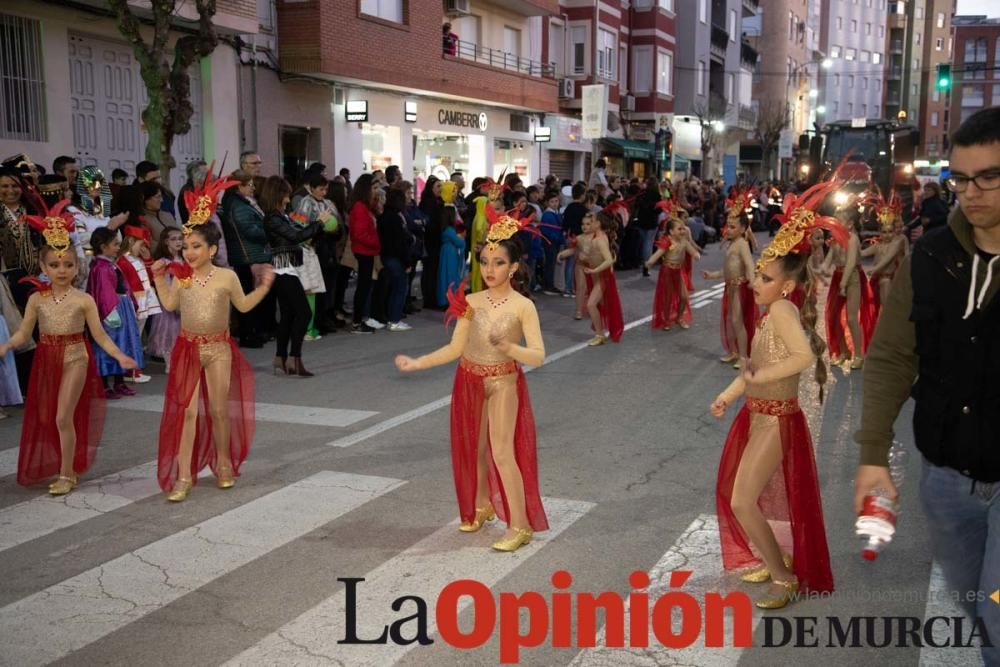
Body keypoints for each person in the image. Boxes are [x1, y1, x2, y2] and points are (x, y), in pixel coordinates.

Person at [854, 107, 1000, 664]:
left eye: (989, 176)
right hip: (944, 477)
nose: (971, 192)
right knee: (973, 599)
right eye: (962, 179)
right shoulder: (932, 254)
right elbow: (891, 355)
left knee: (995, 610)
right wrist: (872, 454)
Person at [711, 179, 844, 609]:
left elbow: (803, 358)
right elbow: (754, 370)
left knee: (742, 499)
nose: (755, 282)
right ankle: (775, 560)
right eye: (756, 275)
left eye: (765, 278)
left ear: (785, 286)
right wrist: (730, 395)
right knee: (749, 496)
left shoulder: (783, 311)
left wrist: (758, 381)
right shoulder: (770, 315)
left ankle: (784, 576)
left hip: (777, 419)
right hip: (758, 415)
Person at [395, 211, 548, 553]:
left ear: (513, 267)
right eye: (484, 262)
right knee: (474, 450)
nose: (490, 269)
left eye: (498, 262)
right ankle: (482, 505)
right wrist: (418, 362)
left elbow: (538, 355)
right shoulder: (472, 302)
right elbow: (454, 348)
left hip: (502, 382)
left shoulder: (523, 306)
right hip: (468, 379)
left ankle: (520, 525)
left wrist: (511, 348)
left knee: (503, 452)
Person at [151, 179, 274, 502]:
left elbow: (243, 306)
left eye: (196, 246)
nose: (188, 252)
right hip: (187, 348)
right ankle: (183, 475)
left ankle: (222, 463)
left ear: (213, 249)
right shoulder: (181, 276)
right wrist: (157, 279)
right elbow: (170, 305)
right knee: (187, 413)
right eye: (186, 246)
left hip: (219, 349)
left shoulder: (227, 277)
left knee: (219, 411)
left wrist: (262, 287)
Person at [0, 203, 136, 494]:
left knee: (63, 416)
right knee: (50, 416)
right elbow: (24, 332)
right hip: (46, 358)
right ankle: (63, 462)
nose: (62, 270)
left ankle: (67, 473)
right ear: (43, 267)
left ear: (77, 266)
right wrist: (7, 345)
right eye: (55, 265)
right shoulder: (37, 299)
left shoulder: (83, 300)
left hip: (75, 356)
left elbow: (99, 335)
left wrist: (119, 355)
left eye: (68, 265)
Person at [260, 176, 324, 375]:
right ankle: (294, 359)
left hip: (288, 267)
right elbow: (296, 236)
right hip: (283, 270)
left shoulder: (281, 216)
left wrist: (314, 227)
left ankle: (281, 357)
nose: (288, 199)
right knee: (304, 313)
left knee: (288, 315)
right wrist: (319, 224)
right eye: (286, 195)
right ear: (277, 195)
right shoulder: (272, 217)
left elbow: (300, 233)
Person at [86, 227, 144, 398]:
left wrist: (131, 303)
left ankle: (119, 382)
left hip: (120, 307)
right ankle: (104, 385)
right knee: (107, 346)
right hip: (112, 312)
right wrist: (110, 313)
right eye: (115, 244)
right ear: (104, 247)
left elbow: (122, 286)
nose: (118, 247)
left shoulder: (108, 265)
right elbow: (104, 293)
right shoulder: (101, 268)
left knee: (122, 344)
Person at [703, 189, 758, 366]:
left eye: (733, 227)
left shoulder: (742, 244)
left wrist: (751, 280)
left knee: (737, 320)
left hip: (740, 287)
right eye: (728, 226)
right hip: (730, 286)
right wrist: (712, 275)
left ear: (743, 229)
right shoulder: (732, 245)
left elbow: (749, 264)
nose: (728, 229)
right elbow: (727, 269)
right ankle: (734, 352)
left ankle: (744, 356)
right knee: (730, 320)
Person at [821, 205, 876, 368]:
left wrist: (844, 283)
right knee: (833, 316)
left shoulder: (853, 239)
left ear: (850, 224)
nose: (835, 224)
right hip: (838, 278)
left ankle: (859, 355)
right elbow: (828, 260)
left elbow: (851, 263)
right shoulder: (835, 239)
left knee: (851, 318)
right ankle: (843, 352)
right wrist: (819, 271)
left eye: (839, 221)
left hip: (852, 278)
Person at [646, 203, 701, 331]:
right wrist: (650, 262)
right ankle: (665, 320)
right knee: (668, 297)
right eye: (679, 229)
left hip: (678, 271)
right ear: (671, 231)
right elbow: (658, 253)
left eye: (683, 228)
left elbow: (692, 251)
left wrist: (697, 255)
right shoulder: (667, 241)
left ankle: (680, 317)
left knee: (684, 296)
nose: (682, 231)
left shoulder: (684, 241)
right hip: (667, 271)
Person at [860, 190, 908, 317]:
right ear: (880, 232)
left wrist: (874, 269)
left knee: (887, 309)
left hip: (887, 279)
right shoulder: (878, 245)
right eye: (884, 232)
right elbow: (862, 253)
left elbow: (887, 259)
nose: (887, 235)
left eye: (890, 232)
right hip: (877, 279)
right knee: (877, 309)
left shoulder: (896, 244)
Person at [582, 212, 624, 346]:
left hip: (602, 277)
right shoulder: (597, 237)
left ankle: (600, 335)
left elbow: (609, 260)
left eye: (592, 220)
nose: (590, 223)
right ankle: (600, 331)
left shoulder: (600, 239)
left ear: (598, 224)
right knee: (600, 304)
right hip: (597, 276)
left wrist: (594, 270)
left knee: (591, 304)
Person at [148, 227, 183, 371]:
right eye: (173, 239)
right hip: (169, 298)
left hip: (185, 297)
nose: (178, 242)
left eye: (180, 238)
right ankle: (168, 359)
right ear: (166, 242)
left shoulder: (184, 258)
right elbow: (164, 283)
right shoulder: (163, 262)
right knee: (169, 330)